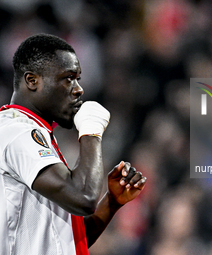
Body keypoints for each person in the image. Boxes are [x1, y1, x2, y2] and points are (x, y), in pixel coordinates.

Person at [0, 33, 147, 254]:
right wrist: (91, 131)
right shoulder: (18, 131)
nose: (79, 89)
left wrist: (111, 203)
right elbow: (84, 198)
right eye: (68, 78)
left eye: (77, 78)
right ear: (32, 81)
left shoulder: (31, 133)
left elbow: (65, 241)